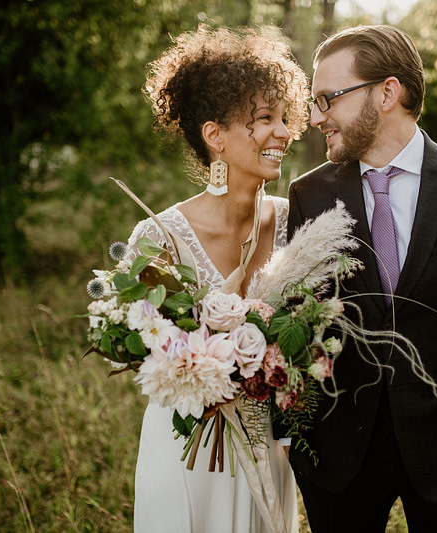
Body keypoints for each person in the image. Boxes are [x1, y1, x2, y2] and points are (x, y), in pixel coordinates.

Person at [285, 25, 437, 532]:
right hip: (340, 454)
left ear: (387, 92)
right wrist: (291, 429)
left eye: (327, 99)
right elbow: (296, 321)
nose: (315, 118)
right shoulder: (308, 194)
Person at [125, 25, 310, 532]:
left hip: (269, 445)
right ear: (215, 136)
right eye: (264, 119)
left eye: (285, 118)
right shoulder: (160, 235)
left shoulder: (296, 221)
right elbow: (140, 346)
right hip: (189, 450)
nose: (284, 133)